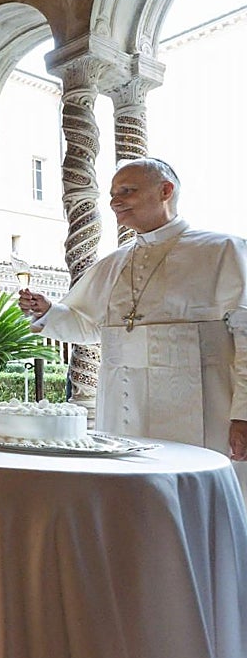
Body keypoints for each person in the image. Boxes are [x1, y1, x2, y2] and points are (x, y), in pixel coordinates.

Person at [19, 157, 247, 474]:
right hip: (125, 406)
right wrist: (49, 312)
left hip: (207, 409)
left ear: (165, 191)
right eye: (112, 193)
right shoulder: (113, 262)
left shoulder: (224, 250)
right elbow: (88, 327)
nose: (115, 201)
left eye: (127, 190)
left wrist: (244, 414)